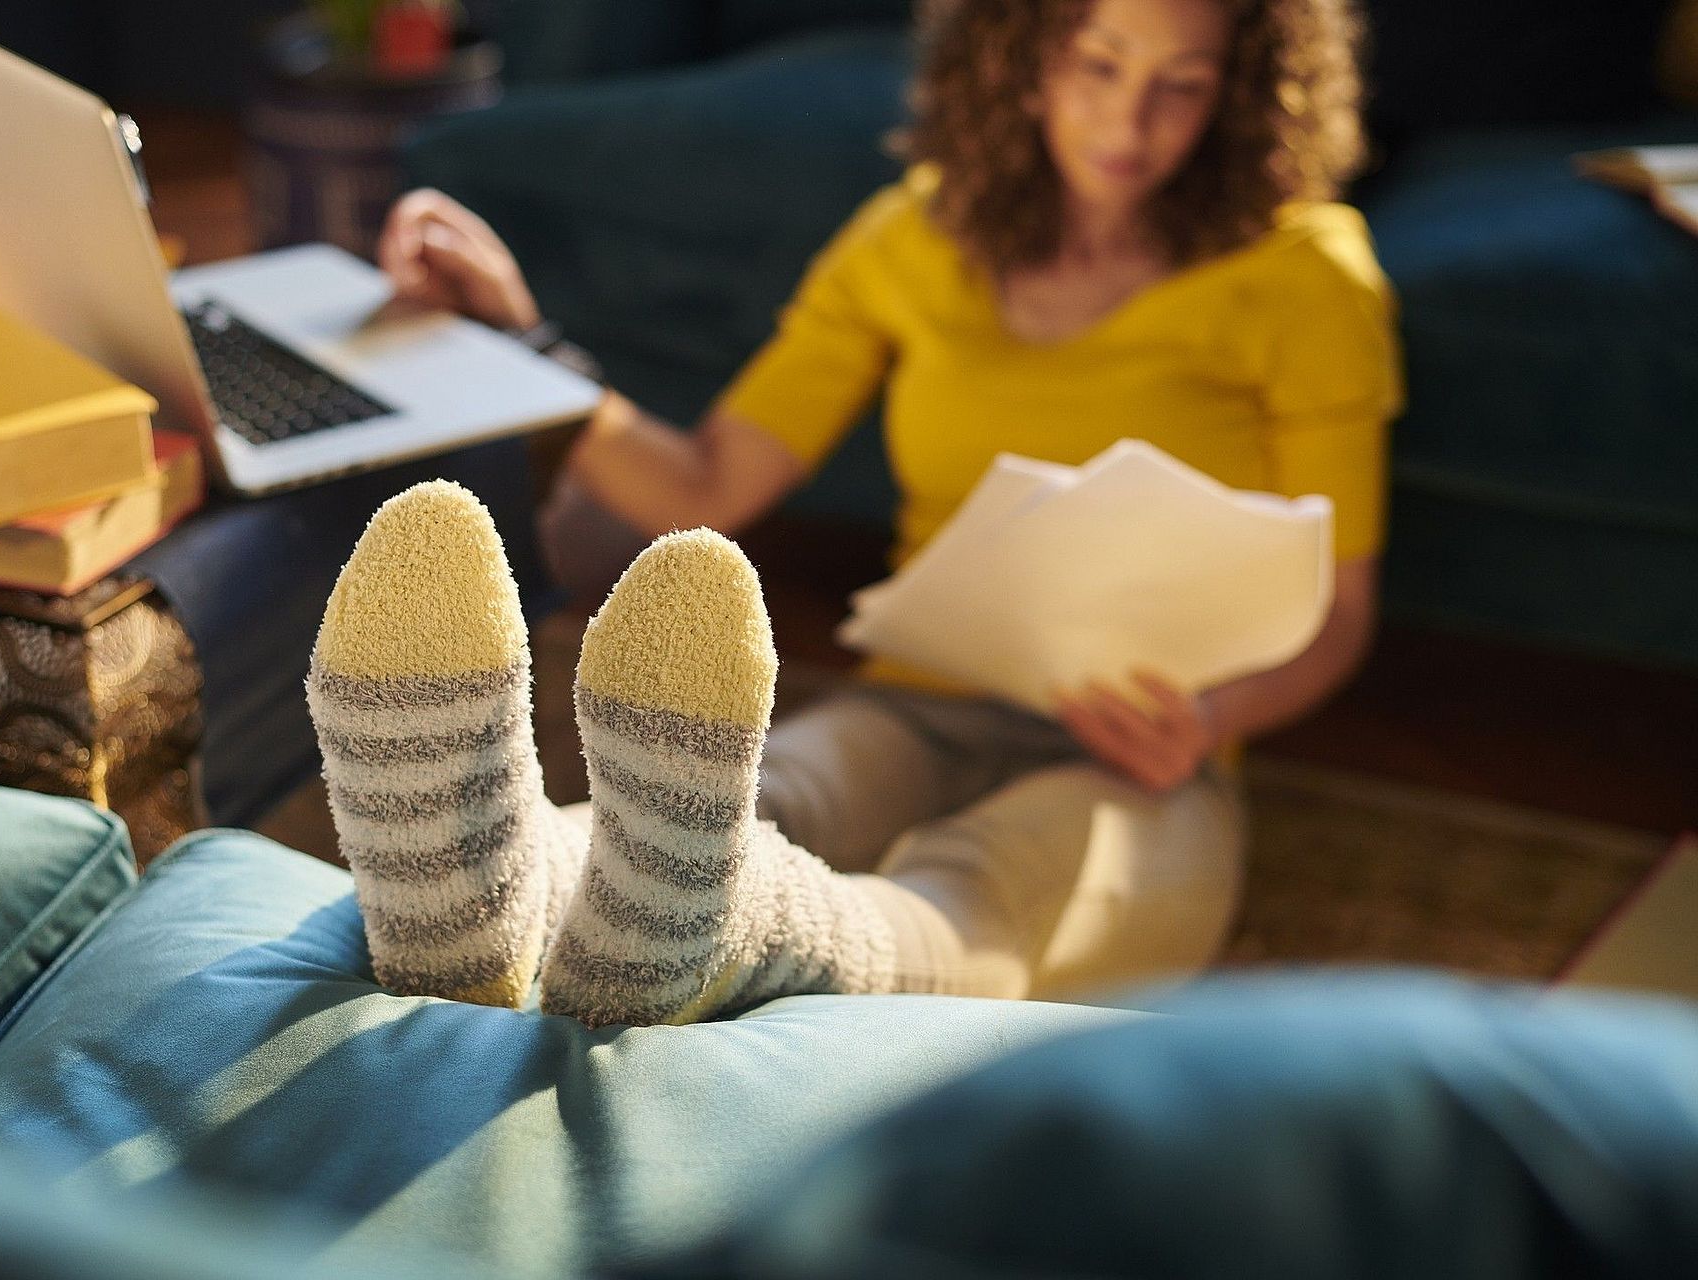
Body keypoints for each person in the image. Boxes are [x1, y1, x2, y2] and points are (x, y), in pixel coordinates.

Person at [312, 0, 1401, 1025]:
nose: (1129, 121)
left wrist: (1207, 721)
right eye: (1098, 64)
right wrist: (526, 353)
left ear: (1242, 92)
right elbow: (704, 484)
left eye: (1182, 85)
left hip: (1151, 759)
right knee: (752, 793)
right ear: (1023, 51)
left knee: (981, 892)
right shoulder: (915, 237)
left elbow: (1338, 614)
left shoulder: (1310, 276)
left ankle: (706, 928)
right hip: (923, 703)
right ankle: (469, 877)